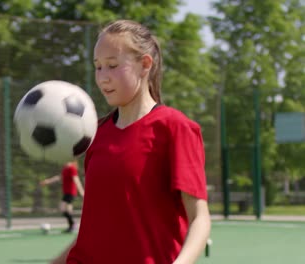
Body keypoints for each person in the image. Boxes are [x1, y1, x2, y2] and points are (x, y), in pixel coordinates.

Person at [51, 20, 211, 264]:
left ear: (144, 64)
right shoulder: (96, 135)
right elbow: (94, 230)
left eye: (112, 66)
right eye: (98, 67)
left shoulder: (175, 128)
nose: (102, 77)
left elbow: (199, 218)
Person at [40, 160, 84, 233]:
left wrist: (82, 192)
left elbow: (76, 180)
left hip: (71, 192)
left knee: (62, 208)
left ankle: (72, 224)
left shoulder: (72, 168)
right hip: (66, 193)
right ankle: (72, 226)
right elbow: (59, 177)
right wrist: (47, 181)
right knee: (68, 209)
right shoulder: (65, 168)